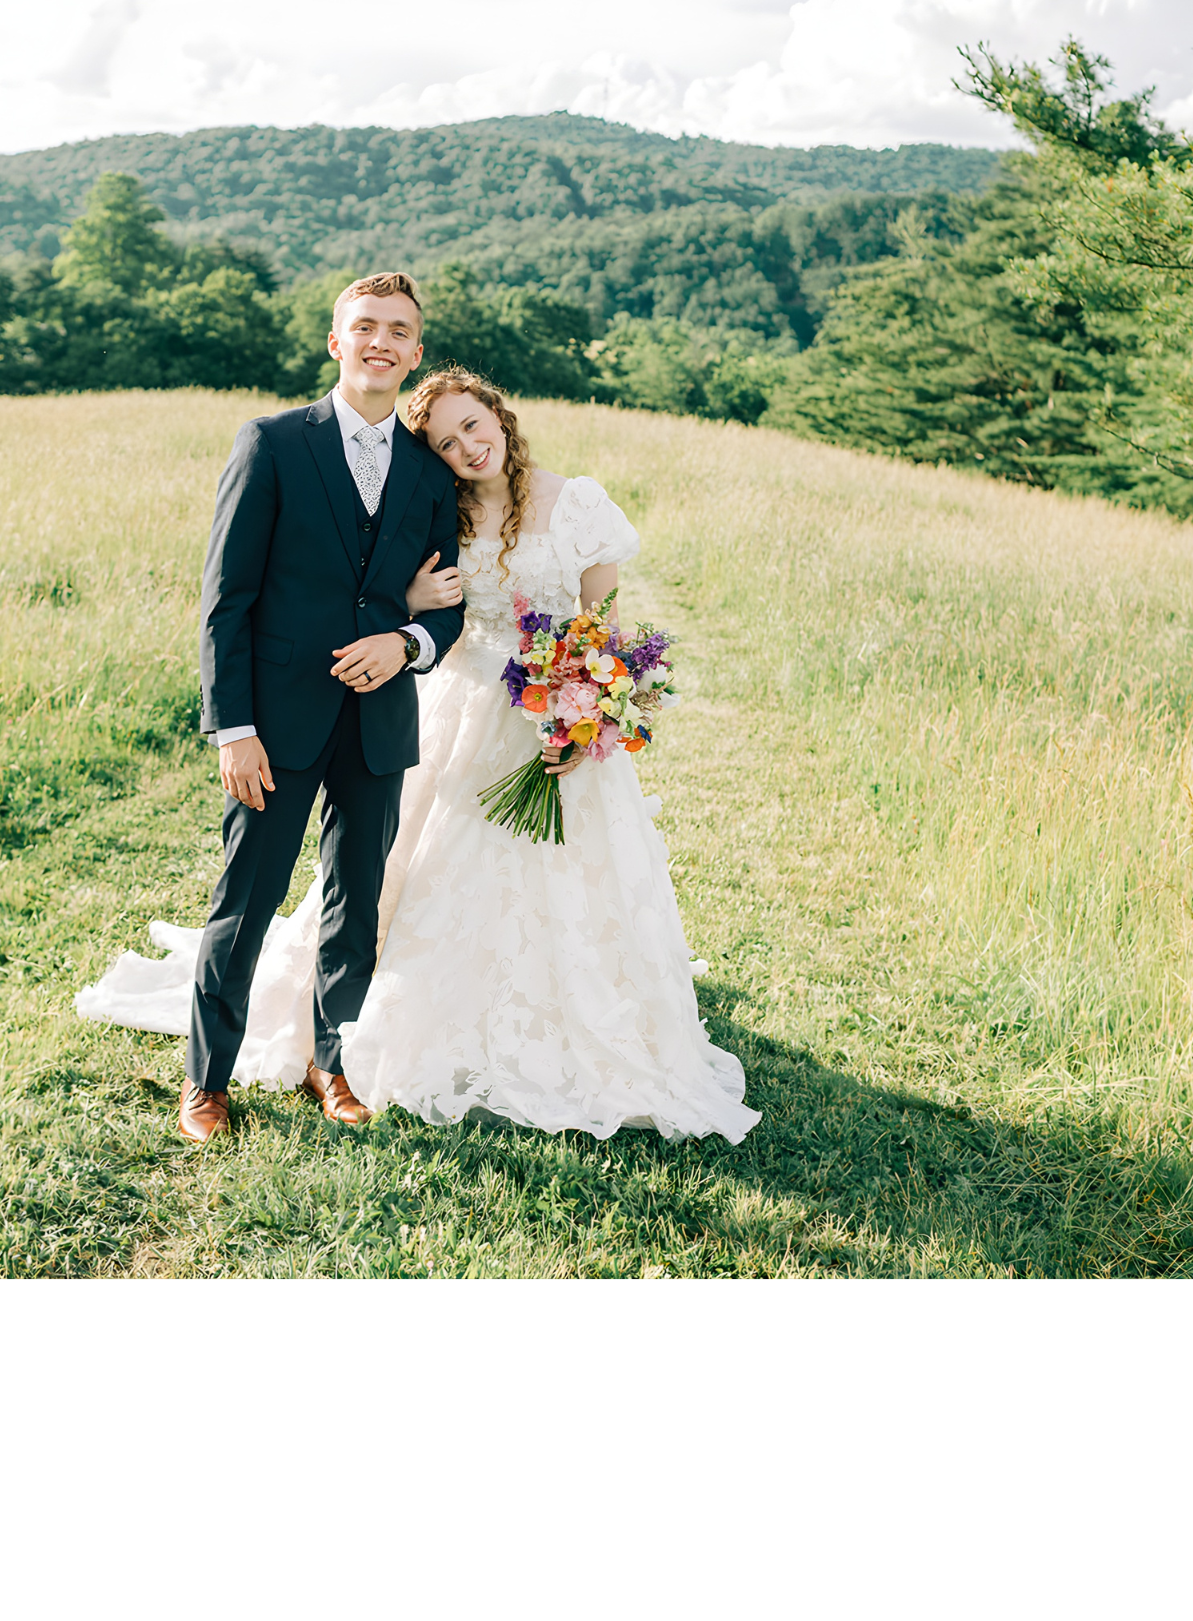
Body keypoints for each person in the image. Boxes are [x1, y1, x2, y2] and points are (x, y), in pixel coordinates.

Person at [77, 360, 756, 1146]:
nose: (467, 446)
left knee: (548, 890)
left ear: (498, 417)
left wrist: (580, 716)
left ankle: (551, 1027)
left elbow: (597, 631)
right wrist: (406, 610)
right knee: (391, 879)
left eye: (474, 425)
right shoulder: (439, 512)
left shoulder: (579, 504)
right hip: (454, 714)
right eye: (445, 439)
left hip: (551, 722)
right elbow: (357, 589)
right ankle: (250, 1061)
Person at [75, 271, 465, 1144]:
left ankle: (336, 1066)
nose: (381, 342)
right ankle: (206, 1080)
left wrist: (404, 644)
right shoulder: (273, 443)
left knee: (356, 903)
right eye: (365, 327)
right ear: (337, 343)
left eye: (399, 331)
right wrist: (235, 728)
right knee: (244, 901)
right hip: (274, 724)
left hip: (378, 726)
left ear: (414, 352)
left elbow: (447, 603)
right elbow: (226, 601)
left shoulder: (430, 474)